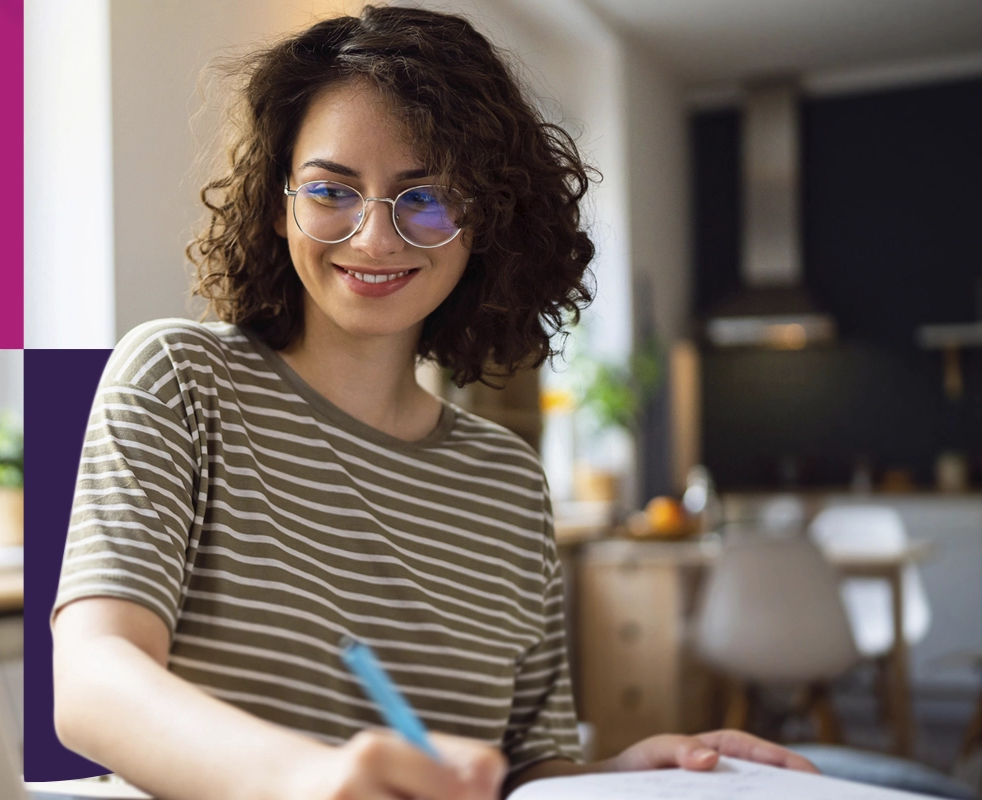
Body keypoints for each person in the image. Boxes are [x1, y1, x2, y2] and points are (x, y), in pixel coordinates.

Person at [50, 7, 817, 800]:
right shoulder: (181, 378)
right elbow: (93, 683)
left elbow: (527, 769)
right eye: (330, 190)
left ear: (484, 221)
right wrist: (306, 779)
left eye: (426, 198)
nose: (376, 239)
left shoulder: (510, 485)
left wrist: (618, 776)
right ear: (281, 208)